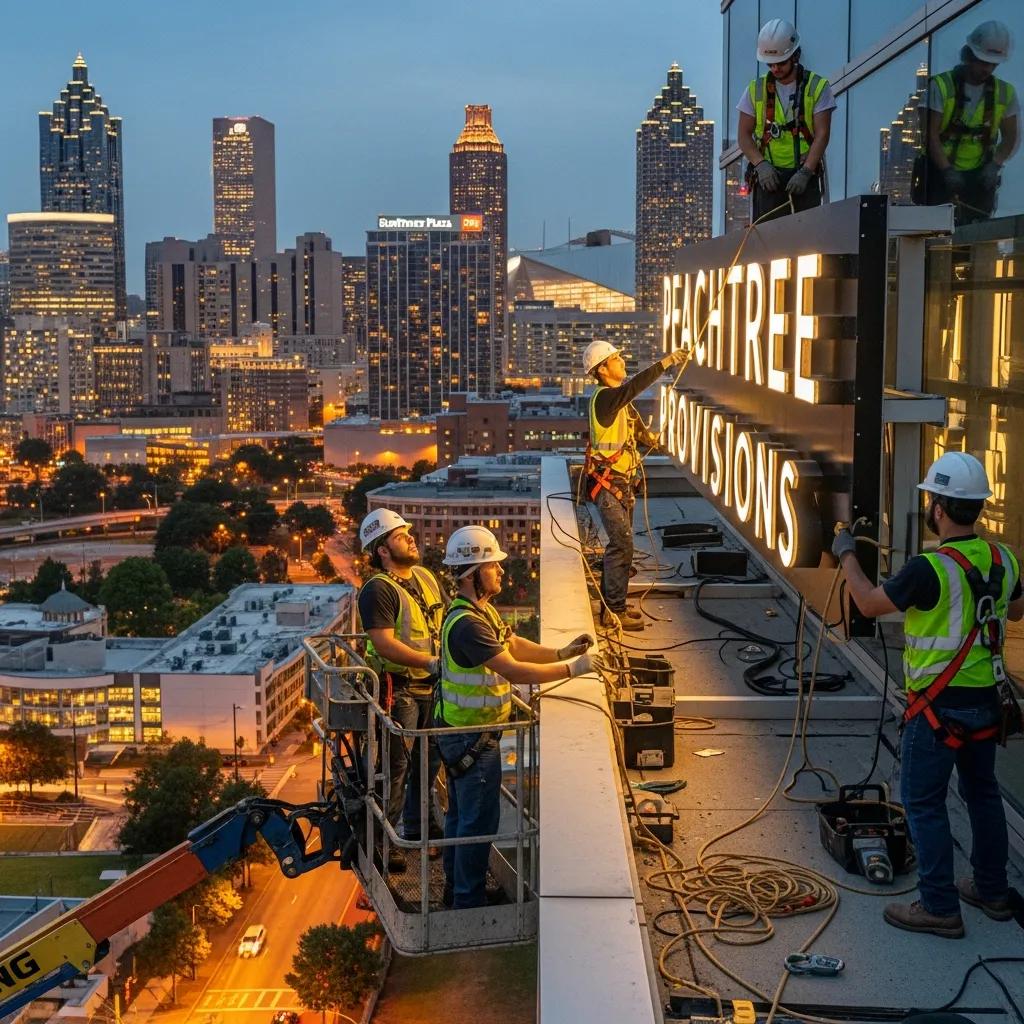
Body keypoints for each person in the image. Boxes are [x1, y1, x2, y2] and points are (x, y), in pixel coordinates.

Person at [832, 452, 1023, 938]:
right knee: (983, 795)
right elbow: (1016, 612)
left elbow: (870, 604)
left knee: (922, 801)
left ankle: (939, 906)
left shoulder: (929, 569)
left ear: (938, 507)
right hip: (985, 704)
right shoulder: (1003, 558)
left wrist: (846, 553)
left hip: (936, 709)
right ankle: (992, 891)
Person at [435, 524, 596, 909]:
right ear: (473, 574)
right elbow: (515, 670)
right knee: (476, 823)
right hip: (470, 740)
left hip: (464, 736)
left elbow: (515, 645)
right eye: (494, 565)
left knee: (461, 818)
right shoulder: (469, 624)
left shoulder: (477, 612)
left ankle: (457, 889)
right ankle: (467, 902)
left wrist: (561, 653)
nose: (503, 572)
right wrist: (575, 670)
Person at [358, 509, 447, 871]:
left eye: (408, 532)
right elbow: (383, 644)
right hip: (401, 690)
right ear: (382, 549)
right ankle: (385, 840)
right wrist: (427, 662)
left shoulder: (425, 577)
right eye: (400, 535)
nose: (411, 537)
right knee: (396, 769)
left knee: (428, 765)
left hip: (432, 687)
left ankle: (416, 830)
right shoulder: (378, 589)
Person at [584, 339, 689, 631]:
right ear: (602, 368)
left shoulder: (620, 406)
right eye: (616, 359)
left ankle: (611, 606)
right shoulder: (606, 399)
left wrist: (654, 441)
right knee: (622, 544)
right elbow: (633, 388)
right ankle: (614, 610)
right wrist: (667, 362)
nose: (621, 362)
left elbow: (638, 433)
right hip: (607, 486)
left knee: (622, 546)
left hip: (620, 484)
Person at [917, 21, 1018, 225]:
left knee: (974, 238)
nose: (987, 69)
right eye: (983, 62)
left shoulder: (1004, 93)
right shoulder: (942, 86)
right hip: (939, 173)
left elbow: (1011, 137)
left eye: (992, 64)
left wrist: (995, 164)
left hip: (979, 177)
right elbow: (930, 134)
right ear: (970, 56)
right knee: (934, 234)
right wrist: (946, 170)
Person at [737, 18, 835, 224]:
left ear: (795, 55)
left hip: (803, 175)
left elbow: (822, 134)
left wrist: (807, 171)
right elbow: (744, 136)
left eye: (781, 63)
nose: (775, 69)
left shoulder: (817, 87)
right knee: (767, 244)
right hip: (768, 178)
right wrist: (760, 165)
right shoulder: (755, 90)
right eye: (770, 64)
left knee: (808, 241)